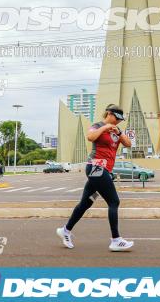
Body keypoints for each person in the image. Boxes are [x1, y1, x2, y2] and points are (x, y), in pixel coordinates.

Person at [57, 103, 134, 251]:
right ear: (109, 114)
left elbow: (128, 144)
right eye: (116, 118)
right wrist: (105, 127)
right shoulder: (97, 125)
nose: (118, 121)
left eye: (120, 120)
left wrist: (118, 132)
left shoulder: (118, 129)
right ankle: (116, 240)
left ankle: (65, 230)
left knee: (86, 203)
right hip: (96, 166)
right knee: (114, 201)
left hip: (104, 169)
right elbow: (90, 137)